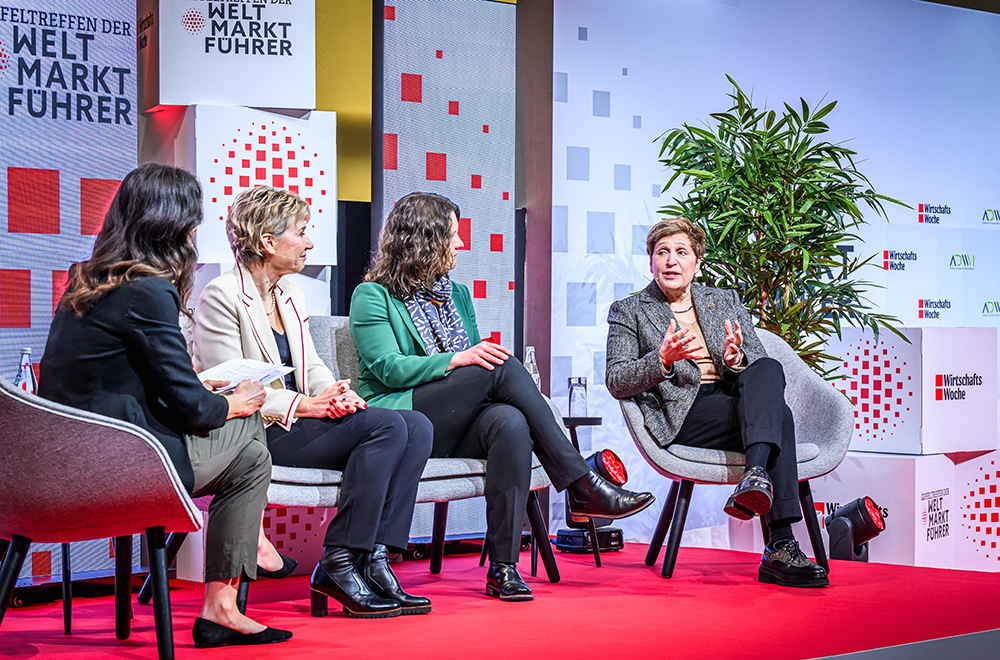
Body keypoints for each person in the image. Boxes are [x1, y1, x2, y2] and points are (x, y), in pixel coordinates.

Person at [350, 191, 655, 601]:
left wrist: (469, 363)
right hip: (403, 418)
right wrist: (457, 359)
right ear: (425, 238)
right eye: (453, 235)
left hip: (453, 419)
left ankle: (503, 568)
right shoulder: (373, 295)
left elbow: (475, 373)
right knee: (501, 365)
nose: (461, 243)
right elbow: (388, 368)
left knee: (510, 423)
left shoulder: (456, 294)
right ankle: (582, 483)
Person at [38, 163, 293, 648]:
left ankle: (234, 589)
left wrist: (202, 392)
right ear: (173, 227)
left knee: (250, 456)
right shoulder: (148, 289)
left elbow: (119, 380)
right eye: (193, 222)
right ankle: (227, 599)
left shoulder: (86, 281)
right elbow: (193, 410)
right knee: (252, 432)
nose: (196, 233)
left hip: (63, 464)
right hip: (125, 466)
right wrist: (234, 401)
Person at [193, 186, 433, 619]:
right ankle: (340, 560)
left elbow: (313, 364)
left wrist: (334, 393)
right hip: (254, 431)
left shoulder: (289, 293)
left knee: (417, 426)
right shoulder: (221, 295)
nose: (308, 242)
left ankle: (374, 558)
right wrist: (306, 406)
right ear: (268, 242)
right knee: (388, 426)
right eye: (300, 232)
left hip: (298, 421)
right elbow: (230, 386)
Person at [605, 217, 828, 588]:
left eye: (681, 252)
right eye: (662, 252)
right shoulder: (630, 310)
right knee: (782, 418)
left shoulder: (723, 300)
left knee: (768, 367)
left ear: (698, 262)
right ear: (651, 261)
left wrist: (734, 359)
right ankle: (781, 543)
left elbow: (756, 363)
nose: (671, 261)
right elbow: (616, 379)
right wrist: (662, 360)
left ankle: (755, 477)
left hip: (731, 400)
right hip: (683, 413)